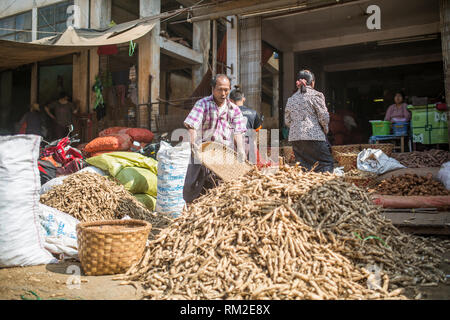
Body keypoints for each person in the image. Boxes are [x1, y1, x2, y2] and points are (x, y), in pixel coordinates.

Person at [183, 74, 247, 203]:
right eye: (220, 89)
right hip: (202, 151)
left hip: (223, 154)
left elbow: (238, 132)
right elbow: (192, 125)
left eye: (226, 90)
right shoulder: (203, 104)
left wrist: (240, 149)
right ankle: (192, 212)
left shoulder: (234, 109)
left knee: (220, 188)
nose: (223, 93)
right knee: (193, 187)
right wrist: (193, 143)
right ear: (213, 89)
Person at [284, 69, 334, 173]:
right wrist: (325, 129)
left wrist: (298, 127)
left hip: (296, 138)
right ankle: (324, 187)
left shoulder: (291, 99)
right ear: (312, 82)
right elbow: (324, 117)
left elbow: (287, 121)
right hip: (314, 136)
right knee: (326, 163)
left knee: (304, 167)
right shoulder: (316, 95)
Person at [229, 85, 262, 164]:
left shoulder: (228, 113)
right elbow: (257, 131)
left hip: (233, 147)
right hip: (249, 145)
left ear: (230, 100)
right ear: (243, 99)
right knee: (251, 172)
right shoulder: (253, 113)